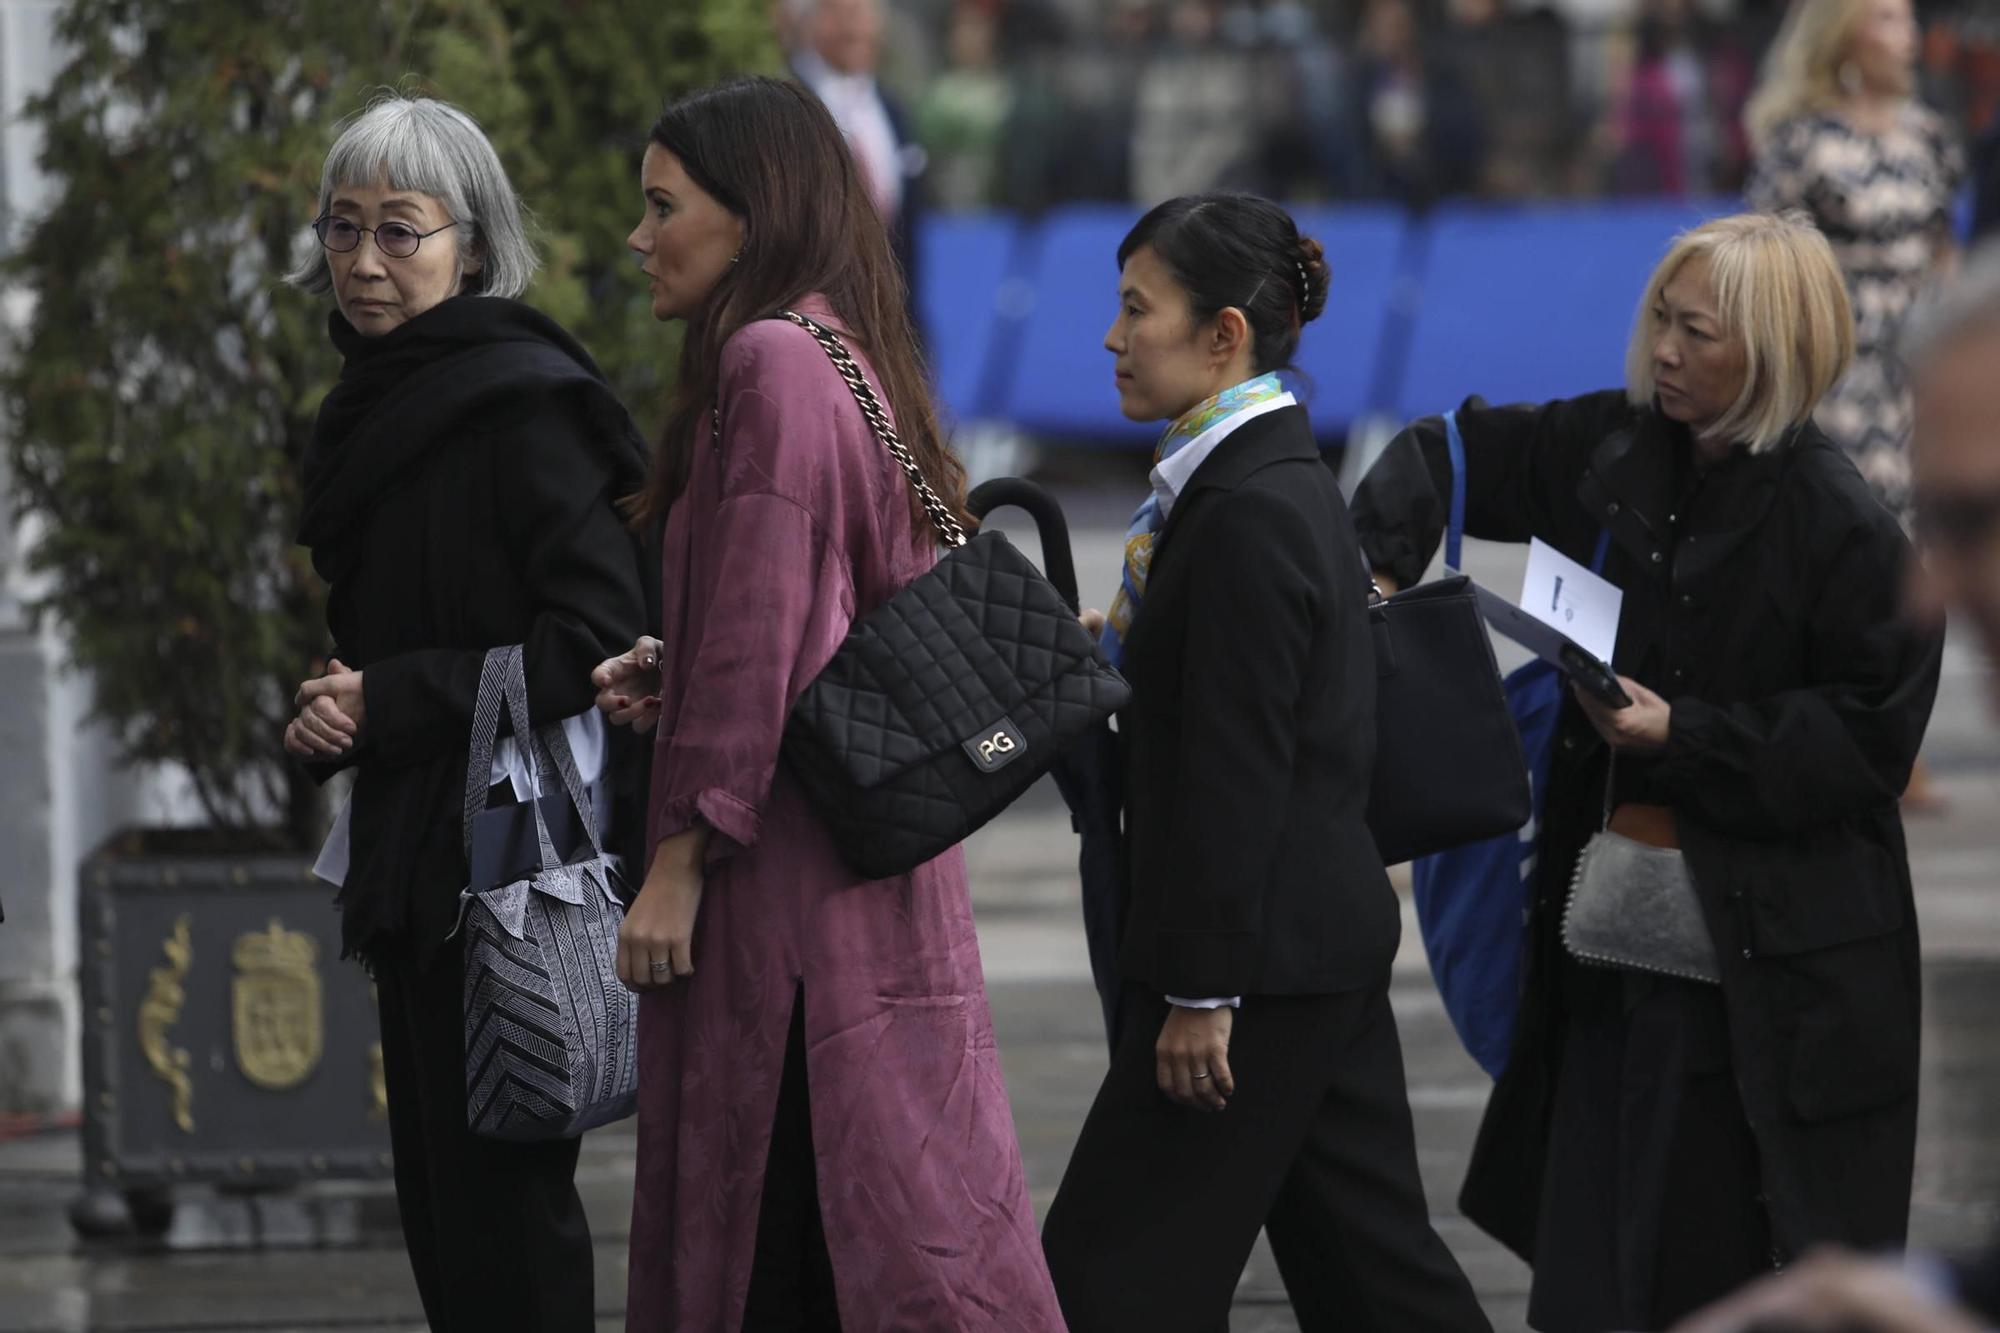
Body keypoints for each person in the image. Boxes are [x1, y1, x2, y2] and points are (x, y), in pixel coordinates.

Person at [1349, 211, 1943, 1332]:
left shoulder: (1843, 523)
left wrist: (1687, 736)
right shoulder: (1616, 444)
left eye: (1697, 332)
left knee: (1713, 1254)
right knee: (1586, 1252)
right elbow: (1453, 448)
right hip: (1609, 925)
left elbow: (1869, 743)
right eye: (1659, 320)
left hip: (1764, 965)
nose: (1663, 350)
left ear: (1772, 350)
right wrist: (1368, 568)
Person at [591, 76, 1064, 1331]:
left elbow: (759, 640)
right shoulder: (837, 350)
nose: (638, 238)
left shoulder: (766, 361)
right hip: (860, 869)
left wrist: (678, 862)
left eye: (661, 206)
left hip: (785, 898)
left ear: (750, 215)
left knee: (790, 1236)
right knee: (885, 1215)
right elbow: (812, 608)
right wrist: (673, 661)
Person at [1038, 191, 1492, 1333]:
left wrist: (1198, 993)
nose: (1110, 336)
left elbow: (1237, 775)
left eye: (1136, 309)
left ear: (1222, 334)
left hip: (1251, 970)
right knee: (1375, 1278)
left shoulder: (1245, 510)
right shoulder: (1261, 482)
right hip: (1303, 952)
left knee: (1106, 1274)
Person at [282, 95, 651, 1332]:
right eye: (343, 229)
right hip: (410, 840)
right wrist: (347, 706)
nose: (365, 262)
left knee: (505, 1198)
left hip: (505, 851)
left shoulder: (520, 402)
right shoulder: (369, 401)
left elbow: (597, 632)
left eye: (400, 230)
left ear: (472, 248)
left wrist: (396, 696)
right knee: (441, 1199)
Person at [1668, 243, 2000, 1333]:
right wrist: (1916, 1298)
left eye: (1974, 520)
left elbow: (1852, 739)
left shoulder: (1823, 512)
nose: (1932, 586)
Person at [1746, 0, 1964, 519]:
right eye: (1888, 19)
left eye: (1908, 19)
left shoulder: (1927, 134)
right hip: (1841, 369)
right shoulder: (1802, 141)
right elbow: (1768, 257)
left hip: (1922, 367)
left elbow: (1943, 250)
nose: (1908, 35)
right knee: (1856, 521)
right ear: (1845, 34)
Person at [785, 0, 928, 311]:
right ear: (809, 21)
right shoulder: (786, 103)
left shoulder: (894, 110)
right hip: (813, 313)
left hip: (889, 314)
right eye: (839, 12)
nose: (854, 27)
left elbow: (908, 234)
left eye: (863, 13)